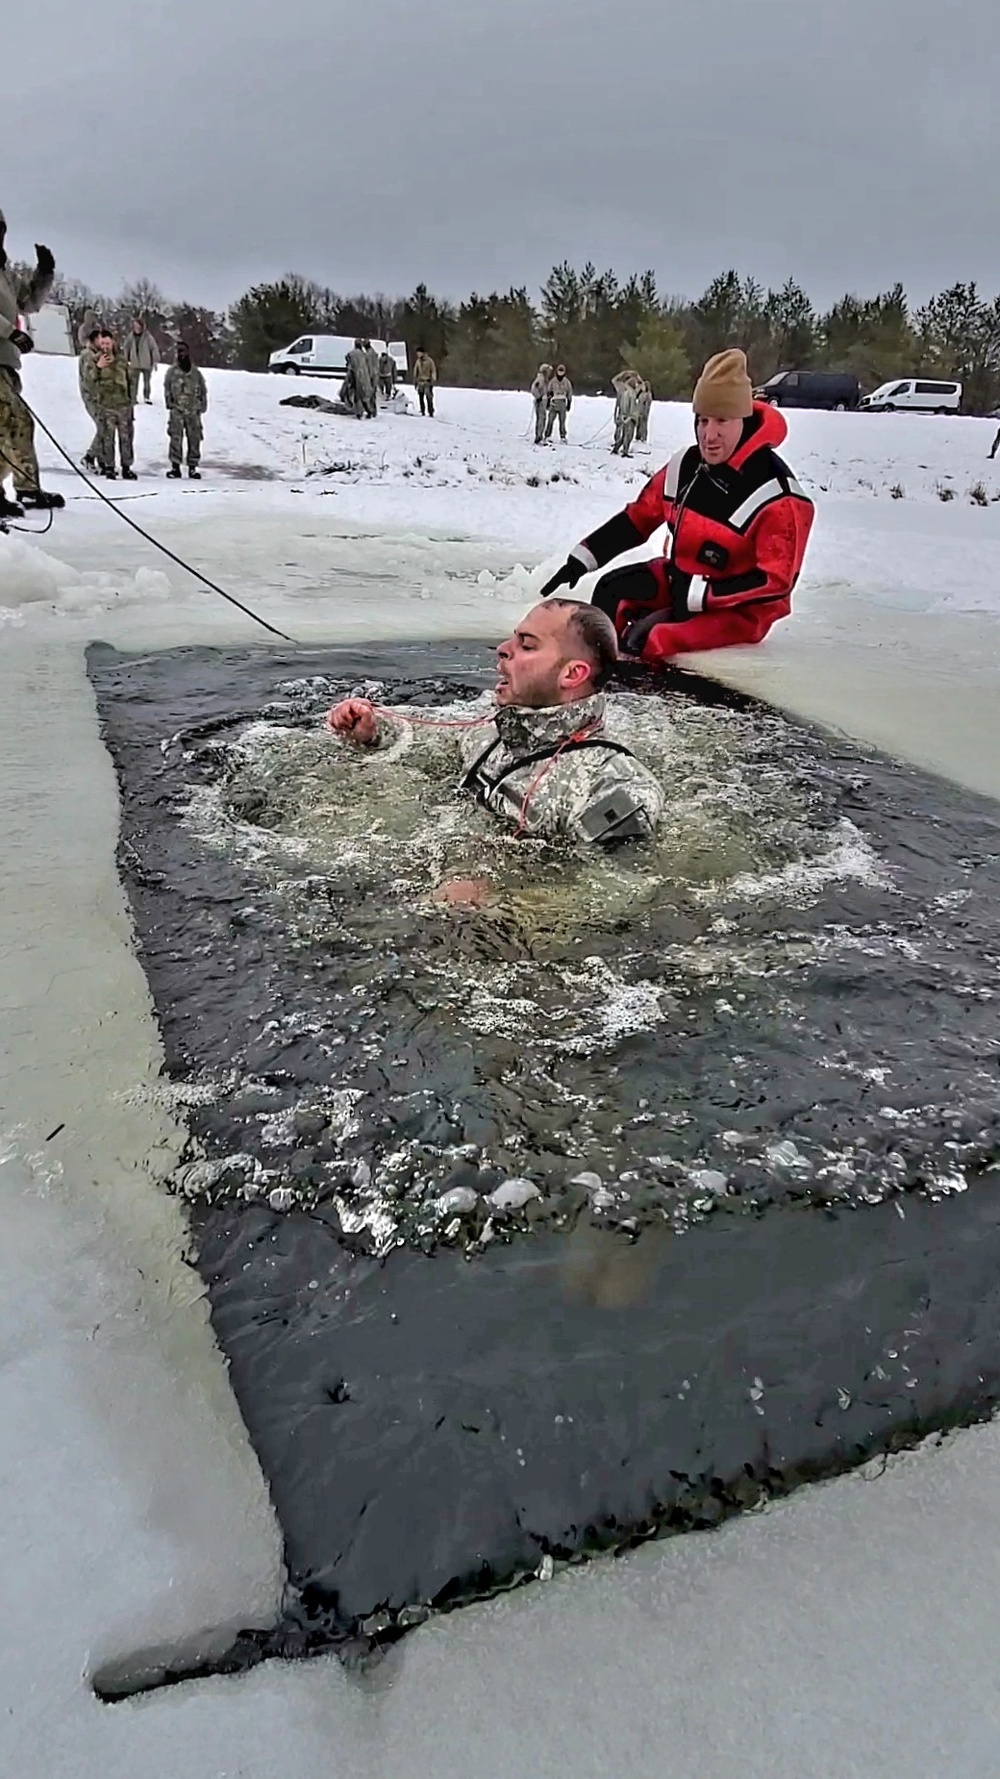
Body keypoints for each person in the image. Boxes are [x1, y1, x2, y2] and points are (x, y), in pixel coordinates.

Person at [325, 599, 663, 855]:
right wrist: (373, 730)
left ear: (572, 674)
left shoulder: (610, 784)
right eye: (512, 639)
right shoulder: (497, 727)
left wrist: (507, 901)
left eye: (527, 645)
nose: (503, 650)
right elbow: (435, 736)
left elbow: (618, 893)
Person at [541, 349, 815, 662]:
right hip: (680, 580)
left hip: (738, 610)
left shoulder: (779, 496)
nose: (709, 435)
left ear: (743, 418)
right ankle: (591, 678)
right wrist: (583, 558)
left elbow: (775, 582)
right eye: (702, 421)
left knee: (656, 639)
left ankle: (635, 702)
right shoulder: (685, 466)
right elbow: (638, 519)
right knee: (610, 592)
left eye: (721, 421)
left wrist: (701, 594)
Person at [0, 206, 64, 517]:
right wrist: (10, 332)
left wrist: (44, 274)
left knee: (19, 423)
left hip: (6, 364)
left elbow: (28, 303)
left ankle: (27, 489)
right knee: (1, 423)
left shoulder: (5, 276)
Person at [79, 328, 136, 480]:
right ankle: (109, 467)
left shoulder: (122, 360)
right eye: (102, 343)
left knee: (126, 438)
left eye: (107, 343)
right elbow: (88, 382)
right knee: (107, 438)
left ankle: (126, 467)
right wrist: (98, 367)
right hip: (105, 405)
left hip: (123, 405)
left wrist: (131, 400)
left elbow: (131, 381)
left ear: (112, 343)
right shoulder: (94, 360)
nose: (105, 346)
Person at [164, 340, 208, 479]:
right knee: (175, 439)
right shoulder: (172, 372)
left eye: (183, 351)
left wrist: (202, 406)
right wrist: (170, 403)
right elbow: (167, 388)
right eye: (178, 351)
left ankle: (192, 467)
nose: (181, 354)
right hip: (177, 411)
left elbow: (202, 390)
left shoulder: (196, 373)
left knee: (194, 439)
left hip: (193, 411)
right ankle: (175, 467)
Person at [78, 325, 103, 472]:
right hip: (91, 396)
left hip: (98, 395)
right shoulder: (88, 355)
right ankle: (89, 456)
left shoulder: (95, 354)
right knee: (103, 427)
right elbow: (89, 377)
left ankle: (101, 460)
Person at [123, 315, 160, 404]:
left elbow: (154, 348)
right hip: (135, 363)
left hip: (146, 362)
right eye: (135, 326)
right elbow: (126, 347)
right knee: (133, 382)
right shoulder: (130, 336)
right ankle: (133, 398)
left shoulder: (148, 337)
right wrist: (125, 359)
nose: (136, 328)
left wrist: (155, 361)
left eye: (138, 326)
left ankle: (146, 397)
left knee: (147, 381)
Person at [611, 371, 641, 457]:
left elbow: (642, 385)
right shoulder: (629, 392)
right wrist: (628, 417)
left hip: (625, 415)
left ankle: (616, 448)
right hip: (628, 416)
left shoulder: (627, 390)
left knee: (624, 435)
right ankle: (624, 451)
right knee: (628, 435)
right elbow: (627, 405)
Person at [345, 339, 375, 420]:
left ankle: (360, 412)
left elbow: (349, 364)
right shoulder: (364, 354)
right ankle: (369, 411)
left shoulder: (352, 353)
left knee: (357, 396)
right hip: (365, 376)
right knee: (364, 395)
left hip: (356, 375)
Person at [545, 364, 573, 441]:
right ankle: (547, 435)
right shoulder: (553, 381)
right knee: (550, 420)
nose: (560, 372)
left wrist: (569, 403)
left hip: (562, 403)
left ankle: (563, 436)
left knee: (562, 421)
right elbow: (548, 391)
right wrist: (548, 402)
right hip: (553, 403)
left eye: (562, 371)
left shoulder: (567, 382)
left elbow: (569, 393)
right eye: (559, 370)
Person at [530, 361, 553, 444]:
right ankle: (538, 437)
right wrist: (538, 397)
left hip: (543, 400)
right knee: (541, 419)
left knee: (541, 419)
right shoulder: (540, 379)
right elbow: (534, 388)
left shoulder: (545, 380)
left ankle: (539, 435)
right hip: (540, 401)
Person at [412, 348, 436, 417]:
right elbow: (415, 372)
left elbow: (433, 370)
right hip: (420, 381)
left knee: (429, 397)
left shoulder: (430, 361)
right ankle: (422, 410)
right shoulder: (418, 362)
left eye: (419, 353)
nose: (418, 355)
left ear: (422, 353)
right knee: (421, 397)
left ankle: (431, 411)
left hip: (427, 381)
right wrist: (415, 381)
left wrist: (432, 380)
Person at [635, 378, 652, 445]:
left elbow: (647, 404)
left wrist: (645, 412)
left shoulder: (648, 395)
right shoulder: (642, 394)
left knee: (643, 425)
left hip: (644, 412)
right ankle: (638, 436)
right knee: (638, 424)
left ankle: (643, 437)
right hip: (639, 411)